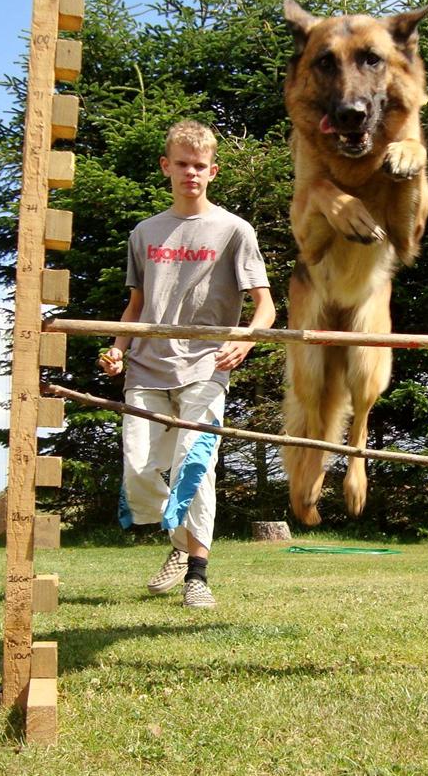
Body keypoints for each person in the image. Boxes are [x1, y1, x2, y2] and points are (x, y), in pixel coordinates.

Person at [98, 120, 275, 609]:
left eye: (200, 166)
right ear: (166, 167)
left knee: (194, 469)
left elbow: (266, 306)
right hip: (146, 368)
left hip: (205, 366)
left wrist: (247, 338)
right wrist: (117, 347)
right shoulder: (144, 233)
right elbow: (135, 307)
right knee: (138, 467)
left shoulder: (234, 230)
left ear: (212, 171)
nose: (190, 173)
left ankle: (197, 573)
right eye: (182, 164)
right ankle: (177, 542)